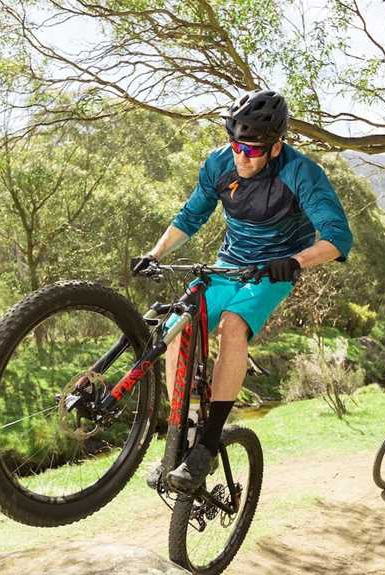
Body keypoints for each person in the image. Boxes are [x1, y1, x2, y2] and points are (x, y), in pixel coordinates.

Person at [133, 89, 352, 491]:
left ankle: (209, 444)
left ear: (276, 146)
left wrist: (297, 261)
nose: (241, 156)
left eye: (251, 150)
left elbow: (338, 239)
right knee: (177, 328)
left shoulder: (301, 173)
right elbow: (191, 215)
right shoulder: (219, 164)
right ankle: (181, 433)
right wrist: (155, 253)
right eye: (235, 144)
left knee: (232, 326)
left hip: (273, 270)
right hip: (227, 265)